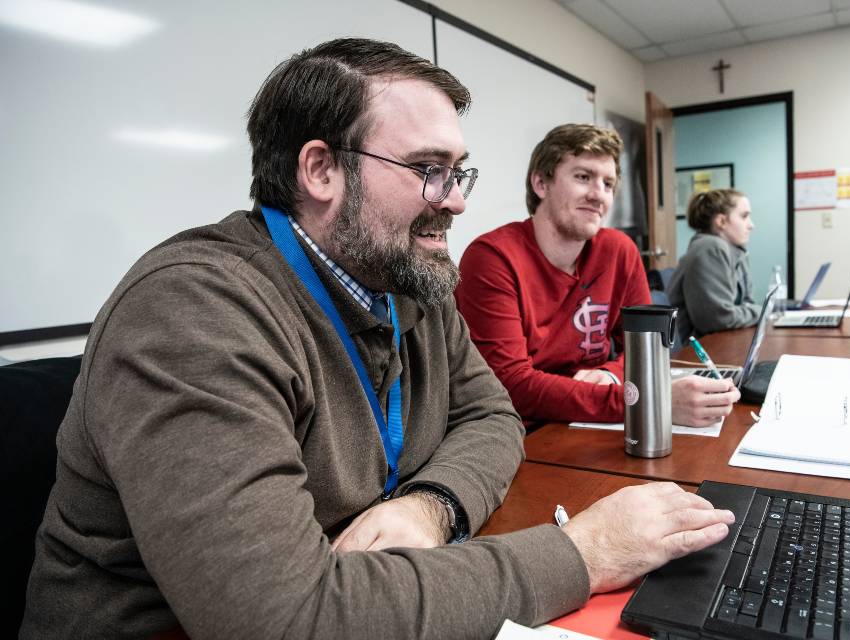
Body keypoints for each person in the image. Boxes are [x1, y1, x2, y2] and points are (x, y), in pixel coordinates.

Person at [20, 40, 734, 639]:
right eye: (429, 171)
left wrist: (432, 504)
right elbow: (285, 620)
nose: (456, 200)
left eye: (458, 172)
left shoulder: (408, 279)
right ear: (321, 169)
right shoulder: (192, 312)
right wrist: (582, 552)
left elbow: (489, 416)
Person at [455, 124, 740, 426]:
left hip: (596, 417)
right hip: (526, 428)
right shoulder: (492, 258)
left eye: (608, 184)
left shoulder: (619, 251)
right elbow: (511, 385)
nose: (598, 195)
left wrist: (609, 374)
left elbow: (650, 346)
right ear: (541, 183)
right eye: (583, 177)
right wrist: (651, 402)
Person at [667, 188, 761, 341]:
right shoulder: (711, 248)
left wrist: (753, 311)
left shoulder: (735, 251)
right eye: (744, 216)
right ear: (721, 221)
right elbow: (720, 320)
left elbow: (747, 302)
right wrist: (762, 312)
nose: (751, 225)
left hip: (718, 342)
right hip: (695, 353)